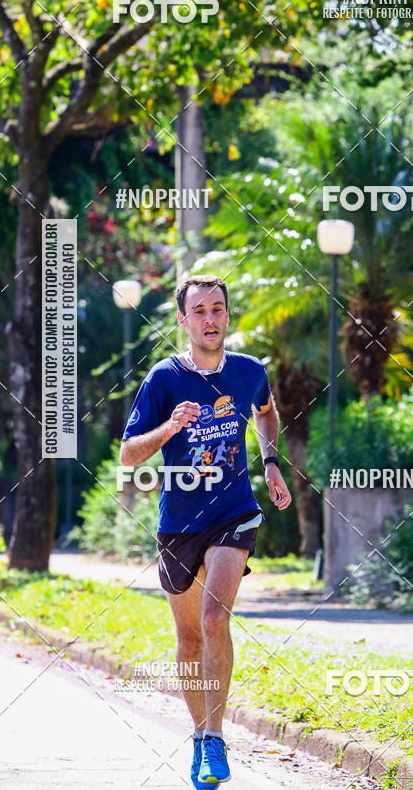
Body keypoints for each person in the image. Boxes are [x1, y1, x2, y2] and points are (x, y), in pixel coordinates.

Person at [119, 274, 291, 787]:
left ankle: (215, 740)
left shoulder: (247, 371)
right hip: (179, 522)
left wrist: (271, 461)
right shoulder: (164, 379)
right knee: (190, 637)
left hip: (234, 511)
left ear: (227, 315)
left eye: (218, 309)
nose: (210, 319)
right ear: (183, 319)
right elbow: (128, 454)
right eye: (199, 311)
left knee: (216, 618)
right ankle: (198, 737)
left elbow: (266, 411)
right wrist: (170, 427)